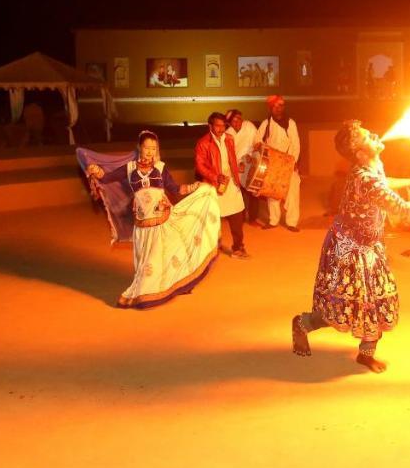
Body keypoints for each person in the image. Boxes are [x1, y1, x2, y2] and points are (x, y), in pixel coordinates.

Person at [291, 121, 410, 372]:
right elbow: (401, 207)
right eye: (367, 137)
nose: (375, 134)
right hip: (348, 251)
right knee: (343, 307)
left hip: (370, 246)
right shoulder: (365, 179)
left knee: (377, 303)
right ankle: (302, 323)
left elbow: (385, 180)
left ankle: (366, 354)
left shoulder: (371, 166)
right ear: (360, 152)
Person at [83, 131, 220, 308]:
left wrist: (197, 187)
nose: (150, 151)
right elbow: (106, 177)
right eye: (147, 147)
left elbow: (175, 188)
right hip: (142, 225)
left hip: (162, 221)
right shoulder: (130, 168)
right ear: (140, 147)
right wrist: (95, 169)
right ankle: (148, 288)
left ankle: (149, 294)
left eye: (153, 148)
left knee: (158, 258)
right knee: (144, 262)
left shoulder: (161, 168)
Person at [196, 112, 250, 259]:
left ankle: (238, 248)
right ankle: (212, 247)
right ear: (210, 126)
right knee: (213, 219)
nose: (221, 129)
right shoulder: (203, 143)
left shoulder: (229, 139)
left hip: (231, 183)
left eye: (223, 126)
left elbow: (231, 158)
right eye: (217, 126)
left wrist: (237, 169)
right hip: (215, 185)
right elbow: (200, 166)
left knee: (238, 216)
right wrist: (216, 177)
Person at [255, 94, 301, 231]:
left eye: (281, 105)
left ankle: (292, 222)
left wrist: (294, 161)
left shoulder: (290, 122)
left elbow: (296, 143)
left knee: (292, 191)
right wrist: (262, 147)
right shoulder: (266, 123)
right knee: (272, 192)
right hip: (273, 163)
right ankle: (273, 220)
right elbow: (257, 140)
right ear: (271, 108)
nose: (279, 108)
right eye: (276, 106)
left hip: (288, 162)